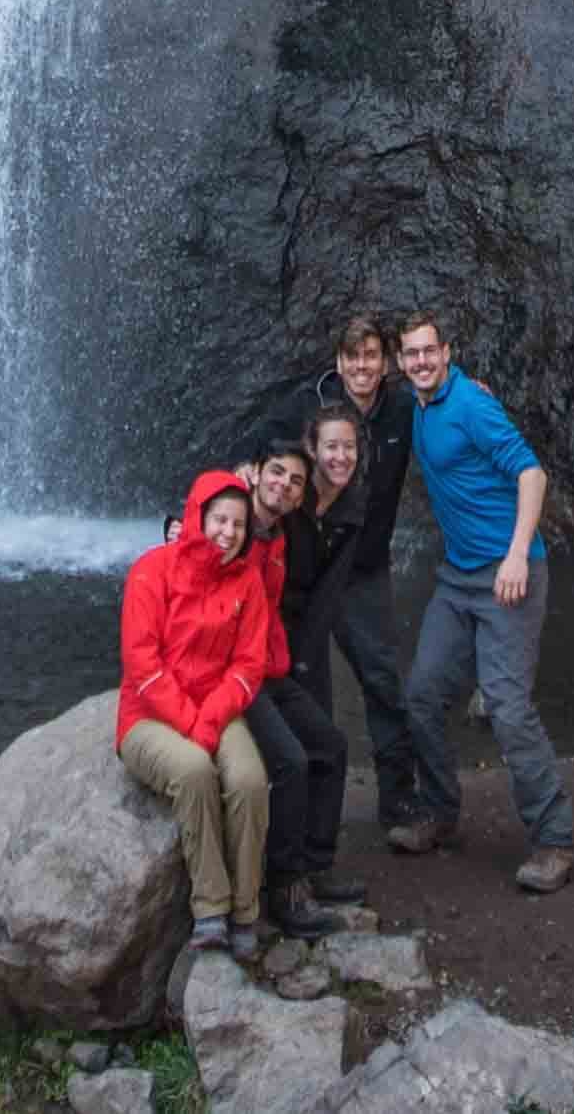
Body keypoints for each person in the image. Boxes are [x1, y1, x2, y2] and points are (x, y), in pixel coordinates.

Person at [227, 310, 448, 861]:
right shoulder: (310, 403)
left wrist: (464, 388)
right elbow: (262, 448)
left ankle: (398, 802)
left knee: (381, 681)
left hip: (364, 570)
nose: (362, 367)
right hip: (306, 574)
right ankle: (298, 813)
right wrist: (239, 479)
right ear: (339, 362)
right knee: (306, 687)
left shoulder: (402, 404)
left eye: (372, 356)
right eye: (353, 357)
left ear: (387, 361)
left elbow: (441, 404)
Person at [390, 309, 574, 890]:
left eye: (429, 351)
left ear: (446, 352)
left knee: (507, 706)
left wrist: (518, 553)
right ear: (402, 362)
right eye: (411, 354)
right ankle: (442, 815)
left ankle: (554, 840)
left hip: (508, 576)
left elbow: (531, 474)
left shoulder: (470, 403)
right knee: (421, 696)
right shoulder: (419, 407)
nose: (421, 361)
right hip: (457, 578)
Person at [117, 465, 288, 954]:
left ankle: (245, 912)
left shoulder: (246, 582)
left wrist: (208, 719)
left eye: (237, 524)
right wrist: (194, 726)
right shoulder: (152, 569)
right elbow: (141, 664)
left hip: (215, 707)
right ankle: (210, 908)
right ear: (197, 516)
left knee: (250, 780)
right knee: (193, 770)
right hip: (147, 715)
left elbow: (248, 664)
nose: (228, 533)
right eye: (218, 520)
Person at [240, 409, 381, 935]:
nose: (340, 457)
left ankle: (315, 866)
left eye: (350, 447)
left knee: (331, 746)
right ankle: (284, 885)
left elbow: (328, 591)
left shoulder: (345, 507)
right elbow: (212, 518)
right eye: (330, 447)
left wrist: (301, 657)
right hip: (249, 661)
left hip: (288, 644)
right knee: (293, 760)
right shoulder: (263, 520)